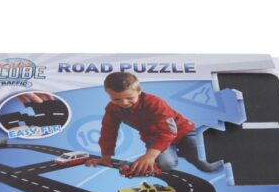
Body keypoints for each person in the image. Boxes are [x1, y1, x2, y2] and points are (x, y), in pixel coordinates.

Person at [85, 72, 222, 176]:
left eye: (129, 98)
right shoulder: (112, 109)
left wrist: (150, 155)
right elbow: (108, 132)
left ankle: (191, 148)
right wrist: (106, 157)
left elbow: (168, 130)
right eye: (117, 99)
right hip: (154, 137)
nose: (124, 103)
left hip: (182, 132)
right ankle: (178, 152)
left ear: (139, 91)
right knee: (167, 164)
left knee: (208, 166)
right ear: (108, 94)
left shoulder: (154, 102)